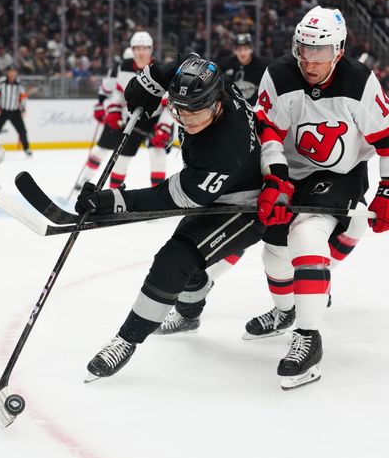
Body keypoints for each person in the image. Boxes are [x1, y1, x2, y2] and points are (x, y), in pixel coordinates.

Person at [251, 6, 389, 389]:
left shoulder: (359, 81)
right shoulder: (278, 74)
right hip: (291, 174)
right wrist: (275, 177)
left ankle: (308, 339)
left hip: (340, 174)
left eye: (320, 51)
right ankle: (286, 311)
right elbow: (268, 130)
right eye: (303, 49)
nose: (309, 60)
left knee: (305, 234)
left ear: (338, 50)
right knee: (273, 252)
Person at [76, 55, 265, 382]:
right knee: (191, 264)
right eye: (179, 109)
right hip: (220, 186)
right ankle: (189, 317)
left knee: (175, 258)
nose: (186, 119)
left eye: (195, 111)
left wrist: (116, 200)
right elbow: (179, 64)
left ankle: (126, 340)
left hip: (247, 203)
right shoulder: (212, 83)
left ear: (216, 103)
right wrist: (145, 84)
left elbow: (171, 198)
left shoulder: (225, 146)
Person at [73, 31, 173, 193]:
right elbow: (118, 93)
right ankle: (112, 195)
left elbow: (169, 105)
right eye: (137, 48)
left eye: (145, 48)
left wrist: (164, 127)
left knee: (158, 159)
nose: (141, 52)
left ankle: (158, 197)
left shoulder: (161, 69)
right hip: (132, 119)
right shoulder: (124, 67)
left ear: (151, 49)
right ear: (132, 50)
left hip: (155, 120)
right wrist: (112, 111)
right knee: (120, 160)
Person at [0, 67, 32, 156]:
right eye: (10, 72)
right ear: (7, 74)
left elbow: (23, 97)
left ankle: (26, 149)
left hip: (15, 112)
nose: (12, 74)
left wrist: (23, 109)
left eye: (14, 72)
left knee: (22, 131)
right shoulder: (2, 84)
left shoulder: (19, 86)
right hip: (2, 111)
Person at [218, 33, 270, 106]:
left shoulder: (263, 65)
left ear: (251, 49)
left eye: (245, 49)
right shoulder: (225, 65)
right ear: (235, 51)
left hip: (257, 107)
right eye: (239, 49)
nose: (242, 53)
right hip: (234, 107)